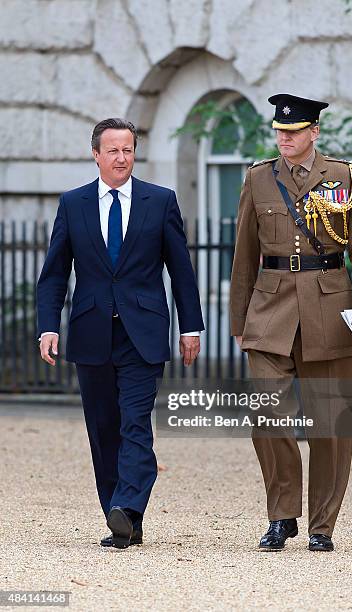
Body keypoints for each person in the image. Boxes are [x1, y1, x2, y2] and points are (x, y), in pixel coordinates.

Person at [37, 118, 204, 549]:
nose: (121, 158)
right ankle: (119, 514)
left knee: (135, 425)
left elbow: (180, 272)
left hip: (142, 332)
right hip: (91, 331)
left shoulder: (159, 201)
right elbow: (54, 273)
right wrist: (47, 326)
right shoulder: (72, 204)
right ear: (96, 154)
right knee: (103, 428)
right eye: (112, 150)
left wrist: (191, 327)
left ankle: (129, 508)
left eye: (128, 149)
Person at [230, 94, 352, 552]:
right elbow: (243, 257)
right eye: (279, 132)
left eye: (293, 132)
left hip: (328, 311)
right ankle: (282, 516)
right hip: (269, 311)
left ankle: (322, 525)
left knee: (330, 426)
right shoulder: (258, 178)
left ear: (314, 132)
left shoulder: (342, 177)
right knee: (266, 413)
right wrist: (238, 320)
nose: (284, 139)